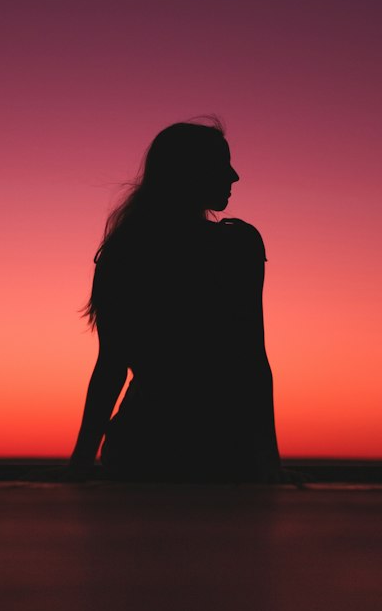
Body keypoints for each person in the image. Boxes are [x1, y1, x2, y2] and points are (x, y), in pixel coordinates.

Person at [67, 120, 281, 481]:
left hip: (140, 446)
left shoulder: (124, 250)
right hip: (222, 449)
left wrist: (81, 462)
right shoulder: (236, 246)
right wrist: (269, 463)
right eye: (221, 164)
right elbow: (252, 362)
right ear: (189, 173)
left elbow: (110, 368)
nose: (234, 176)